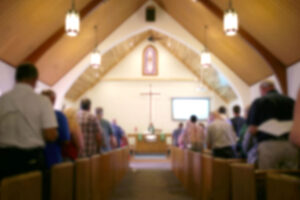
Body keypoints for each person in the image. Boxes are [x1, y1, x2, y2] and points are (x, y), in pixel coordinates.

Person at [0, 63, 57, 180]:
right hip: (30, 159)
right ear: (35, 80)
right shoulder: (42, 101)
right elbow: (50, 135)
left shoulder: (3, 99)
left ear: (16, 78)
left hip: (4, 158)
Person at [247, 80, 298, 169]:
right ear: (273, 87)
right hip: (291, 145)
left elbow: (252, 129)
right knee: (291, 179)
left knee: (270, 179)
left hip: (269, 146)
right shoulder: (291, 101)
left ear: (262, 89)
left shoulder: (259, 102)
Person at [42, 90, 70, 168]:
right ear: (53, 99)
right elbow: (65, 139)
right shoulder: (59, 115)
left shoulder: (33, 115)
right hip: (52, 157)